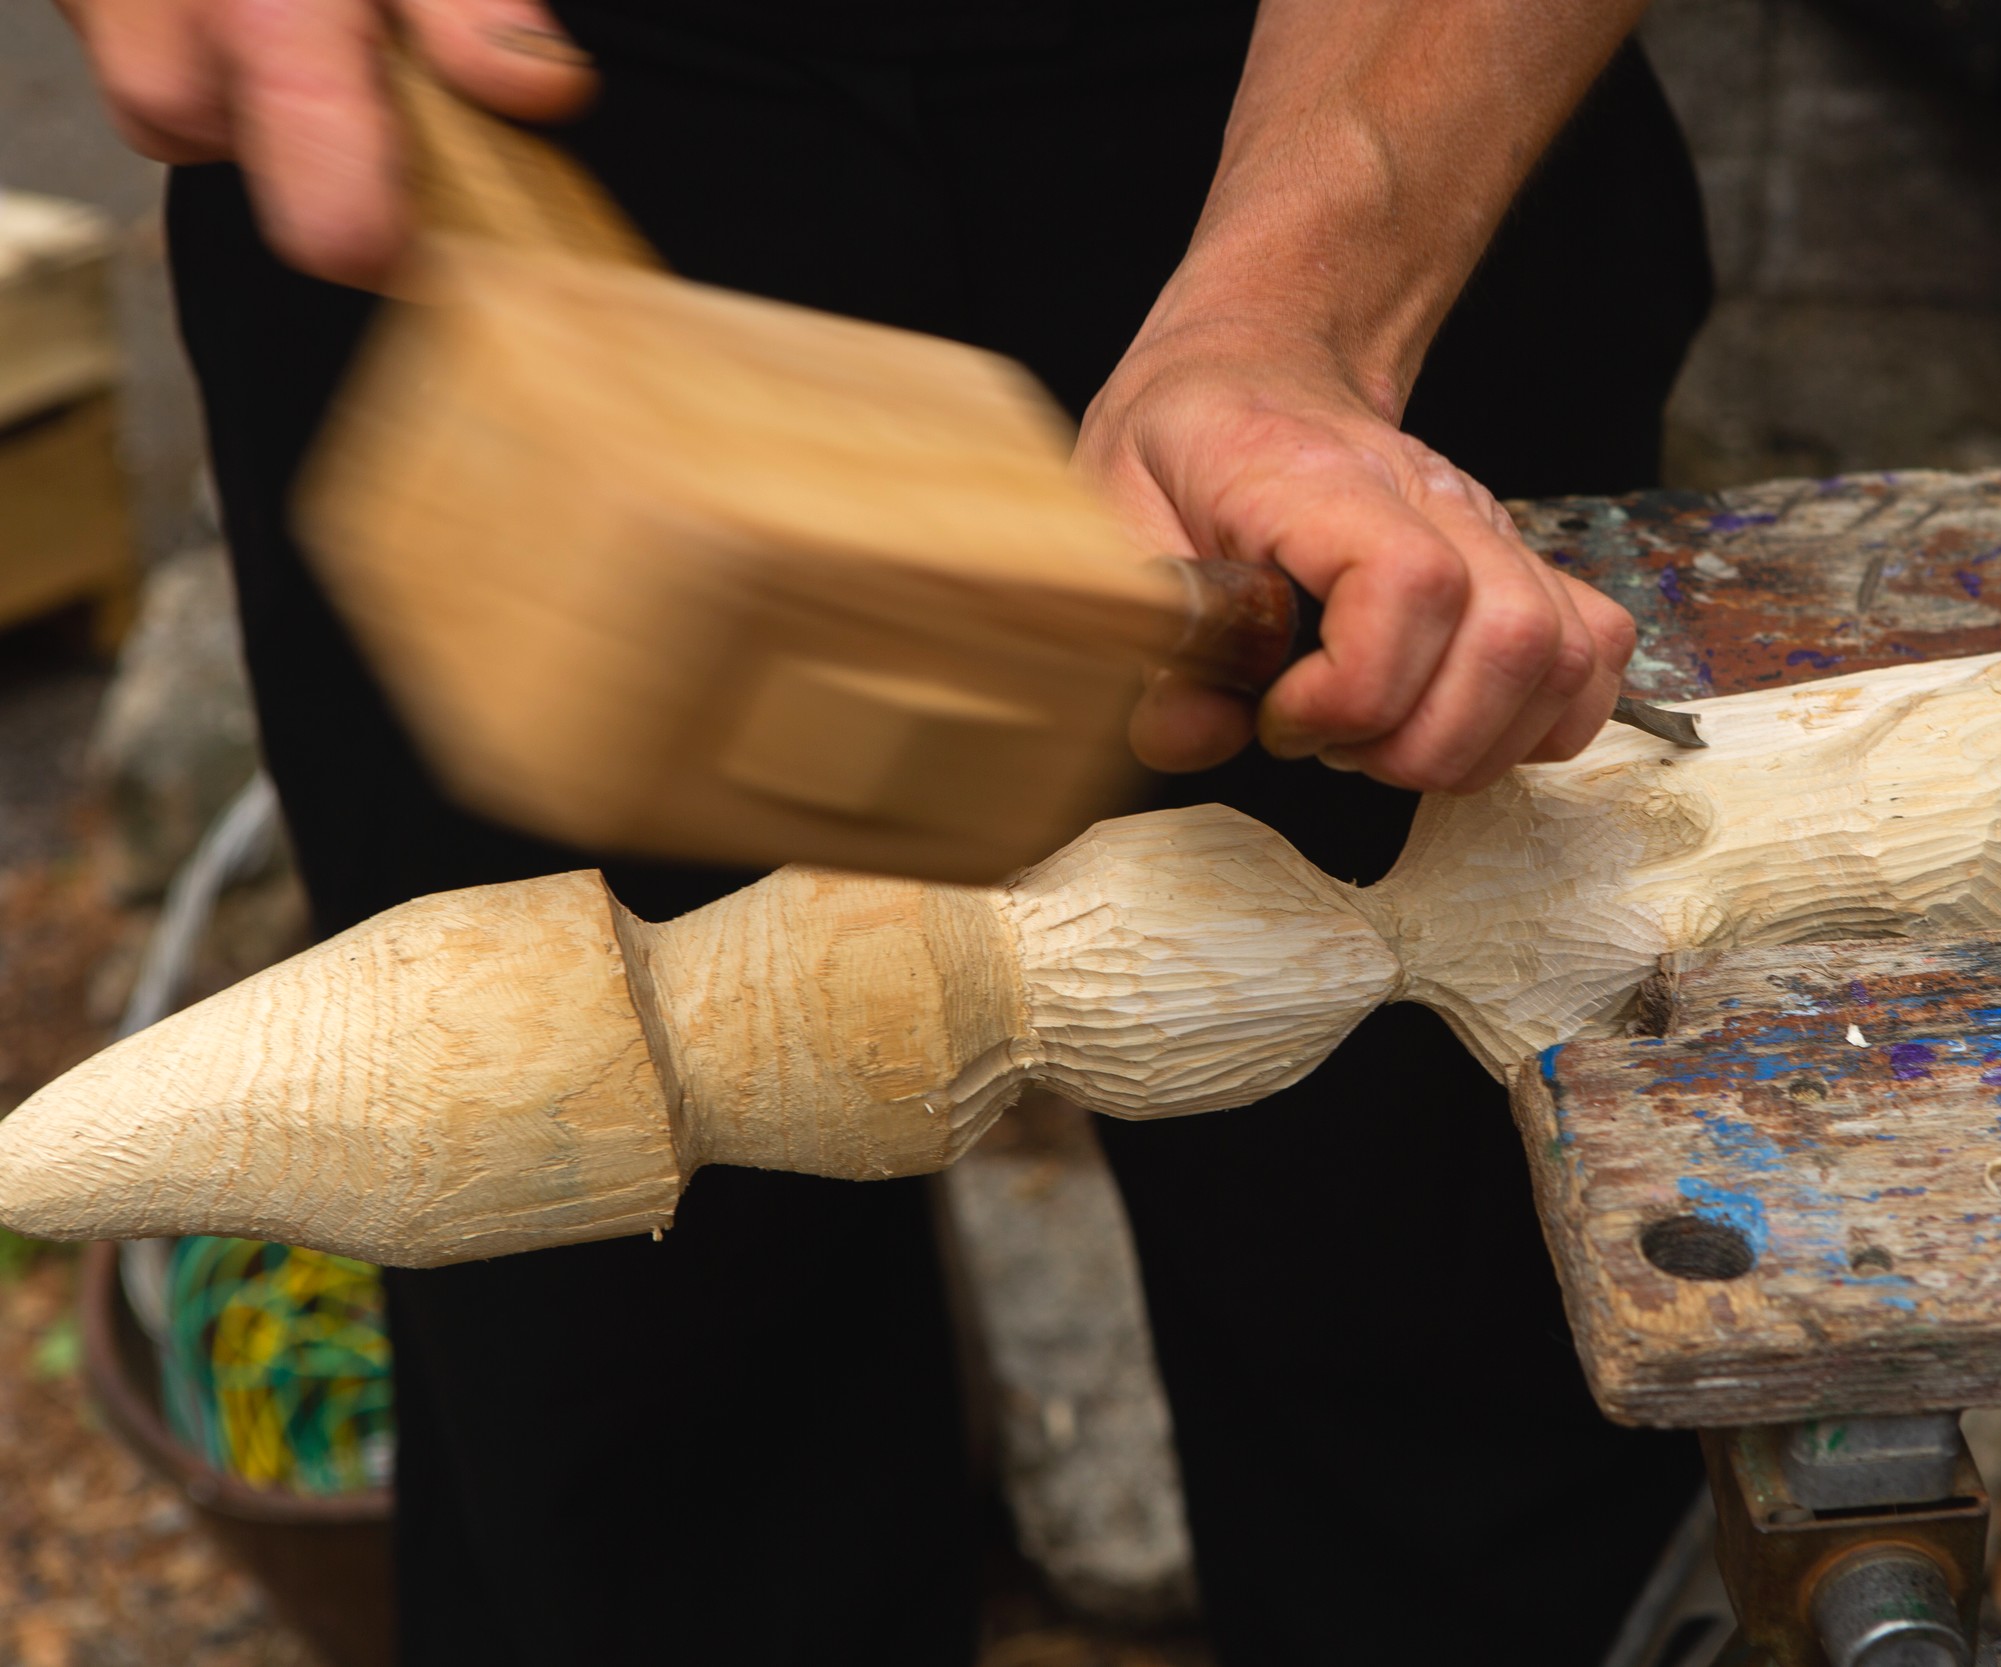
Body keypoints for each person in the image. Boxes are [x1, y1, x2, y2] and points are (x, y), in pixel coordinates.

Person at [55, 1, 1717, 1661]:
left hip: (1332, 97)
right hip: (470, 147)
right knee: (606, 1381)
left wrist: (1301, 306)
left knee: (1452, 1326)